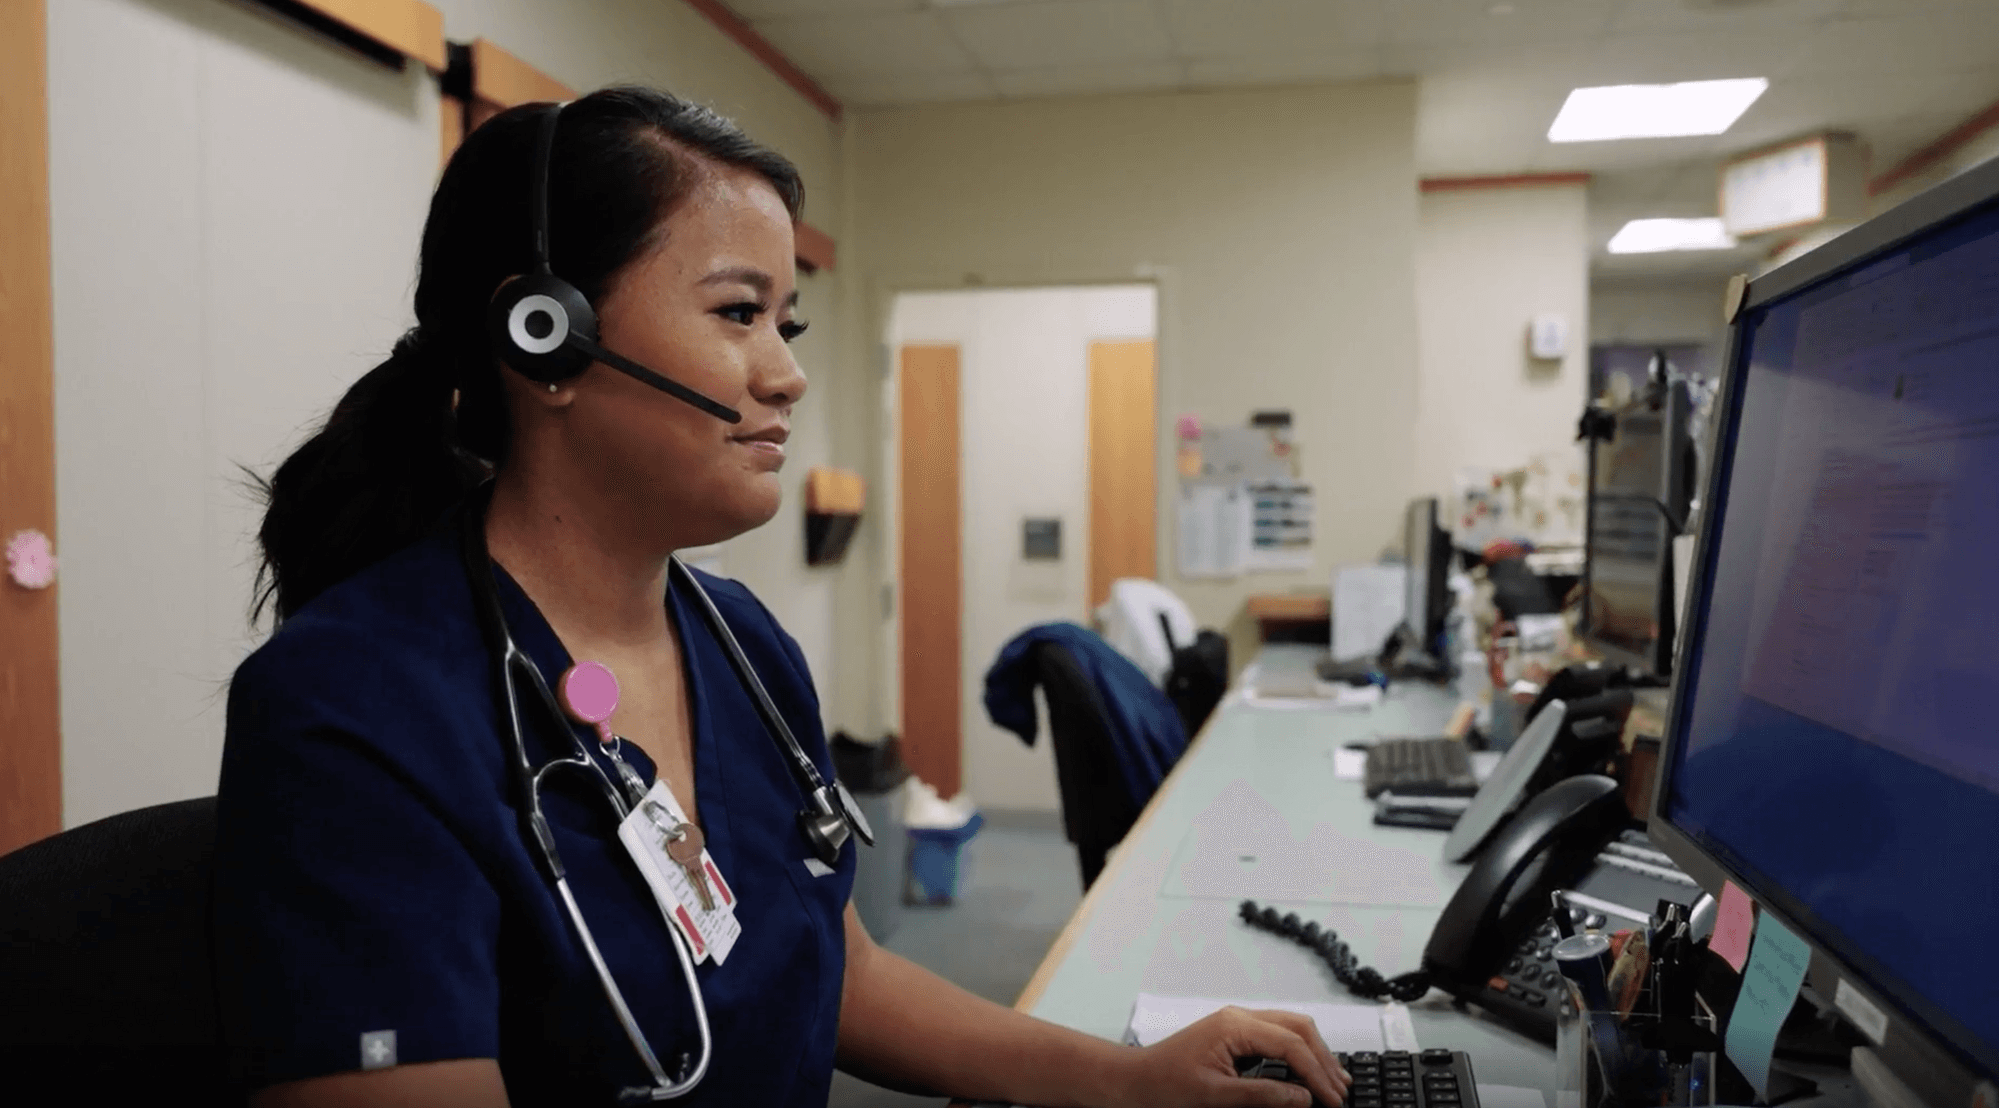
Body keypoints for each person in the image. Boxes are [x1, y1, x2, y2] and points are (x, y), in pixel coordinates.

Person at [215, 86, 1351, 1108]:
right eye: (736, 313)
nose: (787, 372)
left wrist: (1125, 1081)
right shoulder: (349, 706)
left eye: (785, 323)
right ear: (545, 337)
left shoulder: (742, 645)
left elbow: (841, 968)